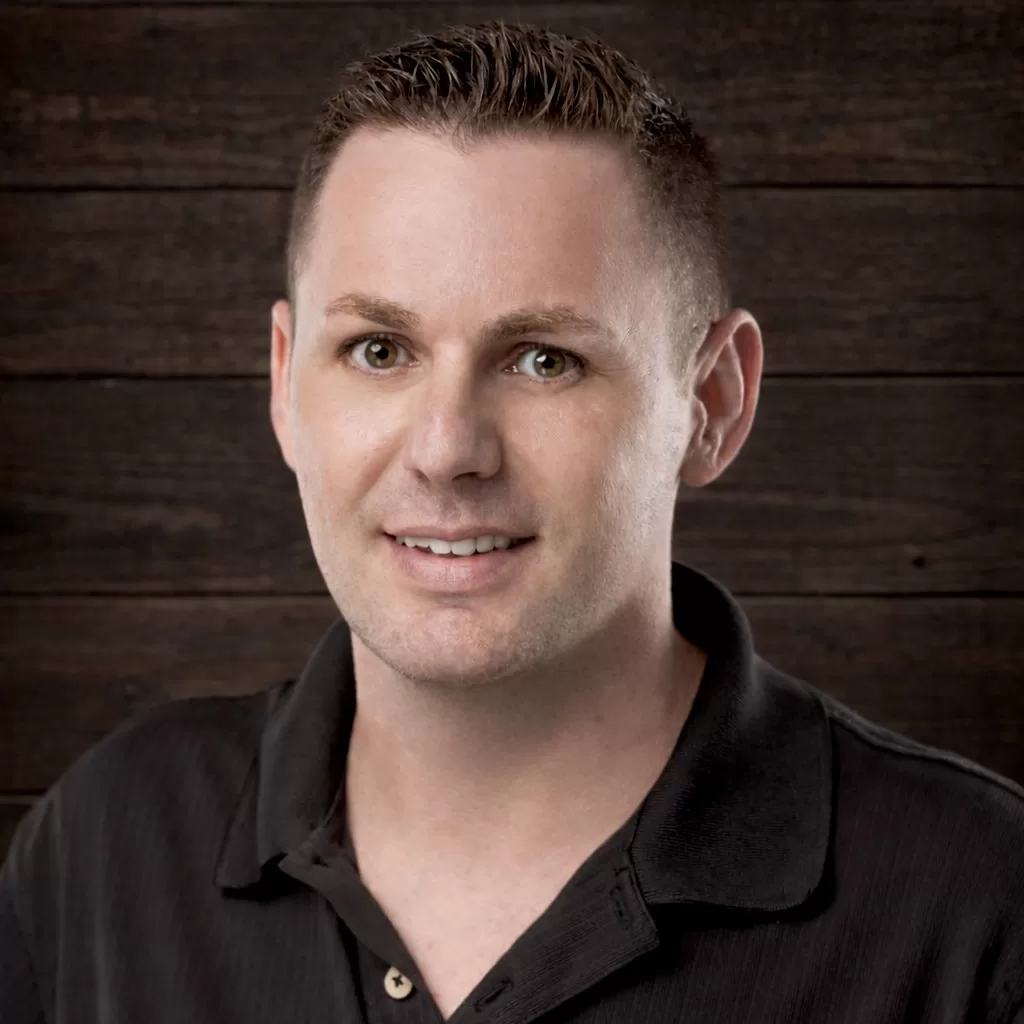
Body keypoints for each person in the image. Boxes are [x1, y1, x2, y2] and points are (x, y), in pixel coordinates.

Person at [2, 18, 1022, 1024]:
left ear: (711, 403)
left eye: (544, 359)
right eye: (377, 350)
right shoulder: (106, 841)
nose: (447, 448)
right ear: (283, 383)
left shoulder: (981, 907)